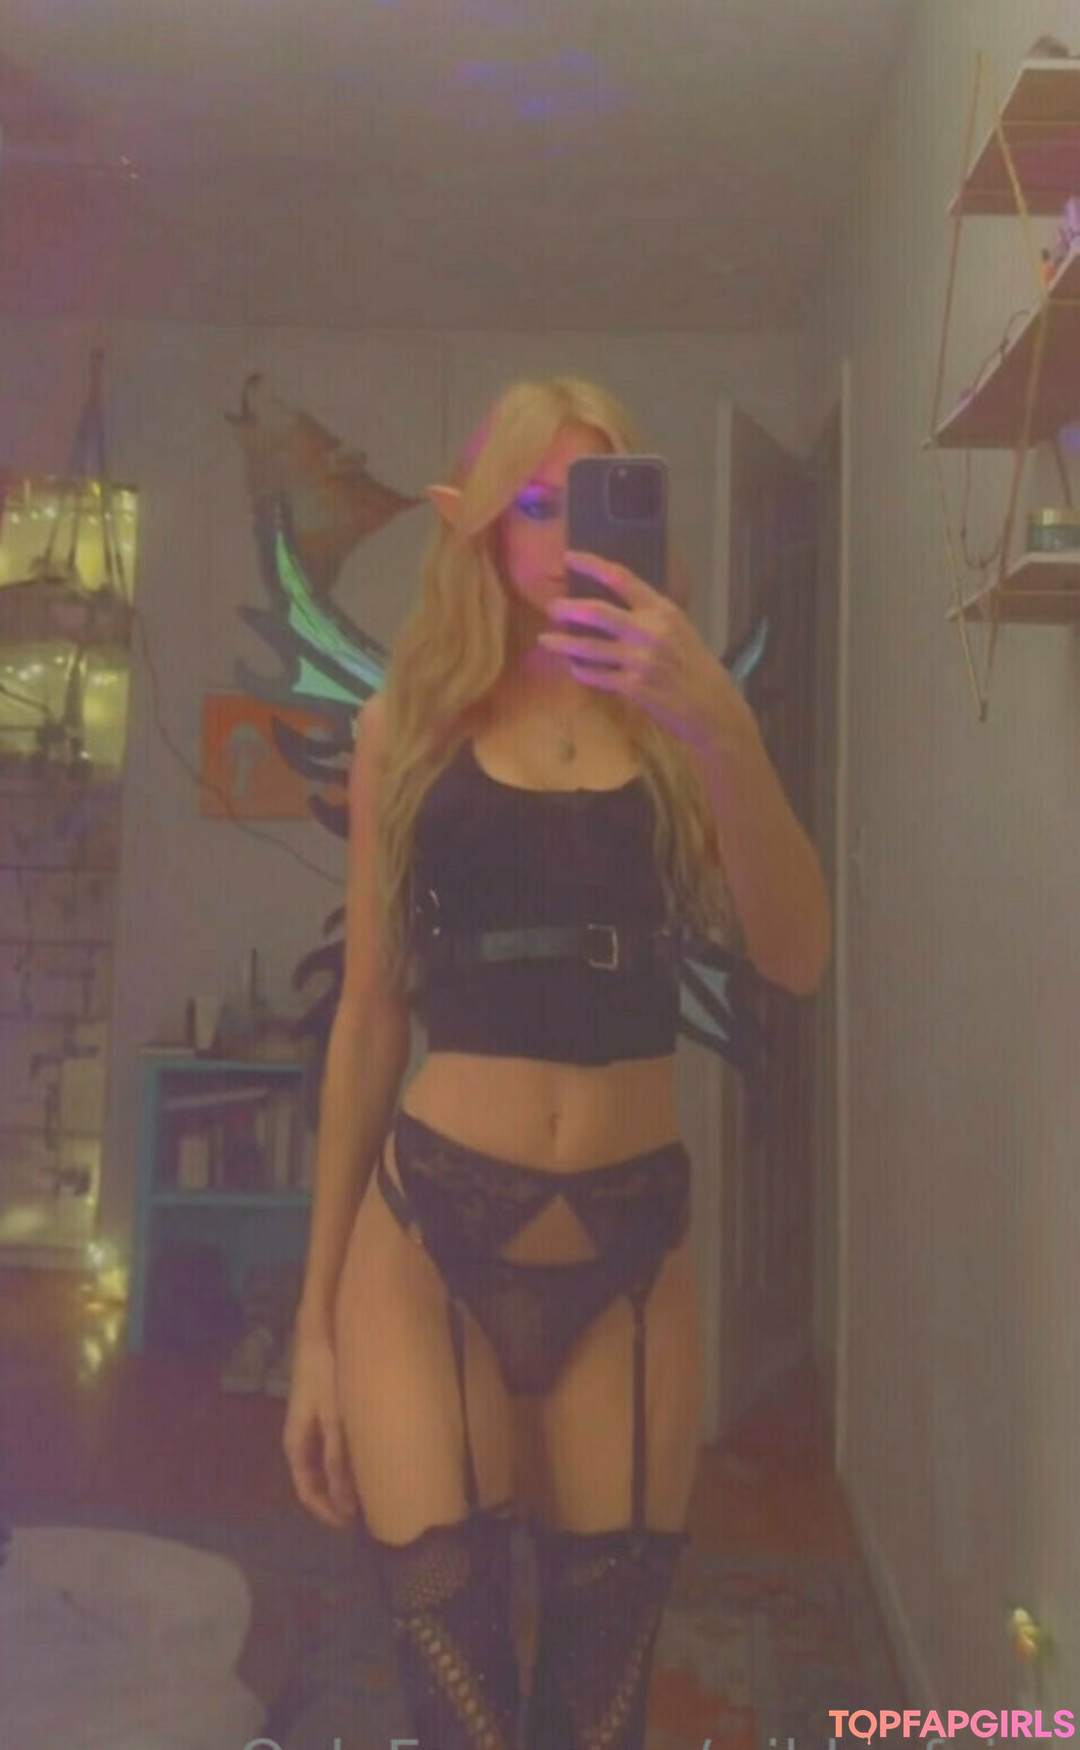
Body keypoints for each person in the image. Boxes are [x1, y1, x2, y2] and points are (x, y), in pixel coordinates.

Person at [283, 376, 830, 1749]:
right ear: (479, 526)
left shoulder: (680, 720)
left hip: (630, 1245)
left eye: (595, 496)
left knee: (601, 1703)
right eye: (532, 500)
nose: (564, 530)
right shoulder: (410, 722)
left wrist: (720, 717)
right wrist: (312, 1330)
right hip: (427, 1239)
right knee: (457, 1699)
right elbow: (369, 1018)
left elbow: (799, 952)